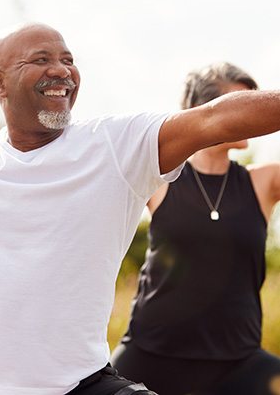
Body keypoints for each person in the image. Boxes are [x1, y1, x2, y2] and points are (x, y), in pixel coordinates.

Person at [0, 24, 280, 395]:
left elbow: (215, 119)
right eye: (40, 59)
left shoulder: (117, 146)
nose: (61, 69)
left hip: (79, 384)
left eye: (68, 59)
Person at [111, 62, 280, 395]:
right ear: (204, 112)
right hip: (150, 356)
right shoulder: (160, 179)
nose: (255, 114)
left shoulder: (263, 181)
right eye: (241, 104)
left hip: (240, 362)